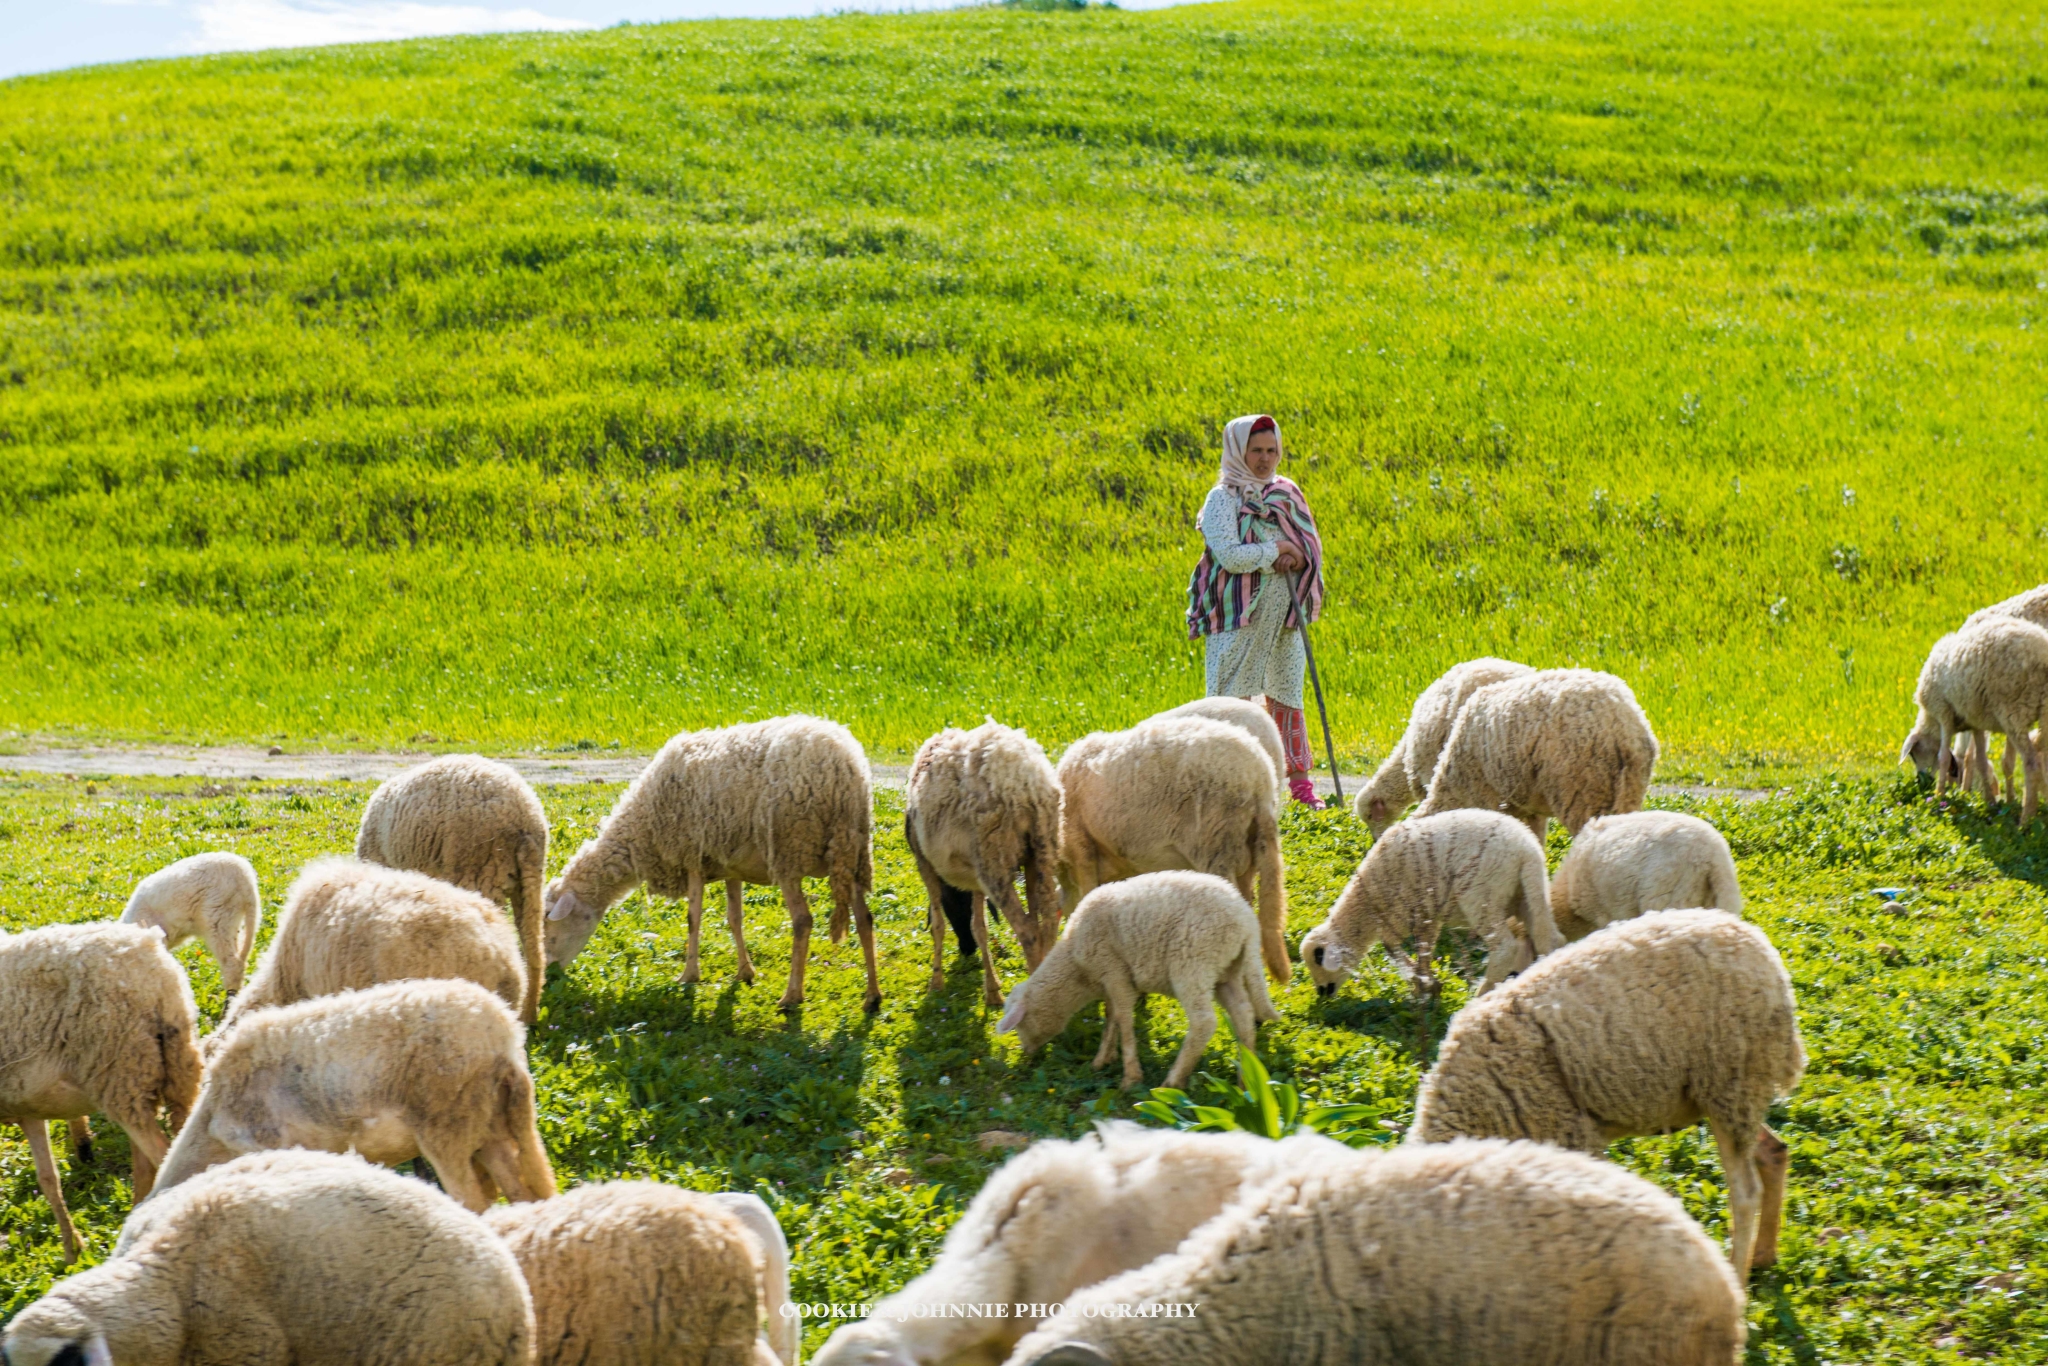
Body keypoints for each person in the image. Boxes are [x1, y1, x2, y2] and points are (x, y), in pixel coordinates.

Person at [1185, 413, 1328, 809]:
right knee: (1231, 700)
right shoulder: (1222, 499)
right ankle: (1228, 789)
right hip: (1237, 619)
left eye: (1271, 450)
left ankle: (1299, 789)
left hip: (1284, 617)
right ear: (1238, 450)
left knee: (1286, 696)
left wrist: (1296, 556)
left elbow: (1309, 548)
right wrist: (1275, 552)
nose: (1265, 459)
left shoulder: (1286, 493)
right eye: (1256, 450)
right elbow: (1230, 555)